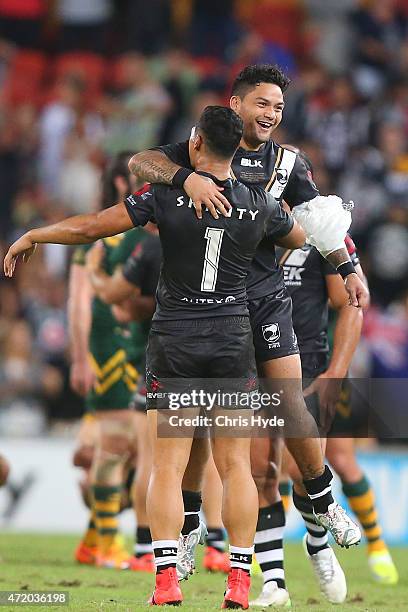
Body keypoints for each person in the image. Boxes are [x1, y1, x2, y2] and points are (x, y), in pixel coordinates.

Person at [4, 105, 306, 610]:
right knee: (235, 467)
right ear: (236, 149)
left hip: (176, 342)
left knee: (166, 467)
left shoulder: (164, 196)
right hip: (232, 338)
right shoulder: (257, 203)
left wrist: (34, 234)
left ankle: (166, 581)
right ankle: (238, 580)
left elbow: (92, 228)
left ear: (194, 143)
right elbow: (296, 237)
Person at [127, 64, 367, 599]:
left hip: (267, 304)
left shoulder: (290, 164)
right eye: (262, 103)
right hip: (212, 311)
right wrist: (183, 177)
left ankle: (324, 500)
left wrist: (348, 269)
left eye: (278, 107)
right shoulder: (199, 148)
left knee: (292, 408)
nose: (271, 114)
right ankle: (191, 530)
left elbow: (321, 221)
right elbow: (139, 161)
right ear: (236, 105)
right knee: (196, 440)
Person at [68, 152, 145, 569]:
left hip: (138, 345)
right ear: (121, 184)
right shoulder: (102, 234)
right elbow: (79, 302)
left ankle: (94, 538)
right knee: (116, 444)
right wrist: (81, 358)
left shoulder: (145, 229)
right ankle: (108, 545)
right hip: (109, 347)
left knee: (134, 447)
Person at [86, 223, 161, 572]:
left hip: (159, 358)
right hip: (222, 356)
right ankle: (222, 547)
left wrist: (95, 274)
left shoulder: (146, 246)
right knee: (217, 459)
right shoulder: (229, 231)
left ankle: (144, 548)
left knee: (148, 457)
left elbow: (119, 305)